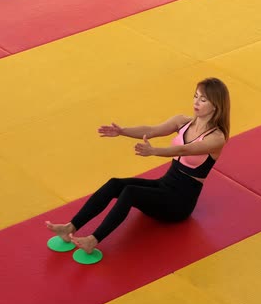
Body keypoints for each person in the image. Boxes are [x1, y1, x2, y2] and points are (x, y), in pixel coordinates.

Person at [46, 78, 230, 254]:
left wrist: (154, 151)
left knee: (131, 192)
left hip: (179, 203)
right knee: (115, 184)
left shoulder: (216, 138)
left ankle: (93, 240)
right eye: (195, 96)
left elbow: (185, 149)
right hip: (165, 185)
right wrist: (122, 131)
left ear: (215, 105)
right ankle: (70, 227)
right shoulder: (183, 121)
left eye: (203, 99)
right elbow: (151, 130)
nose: (196, 102)